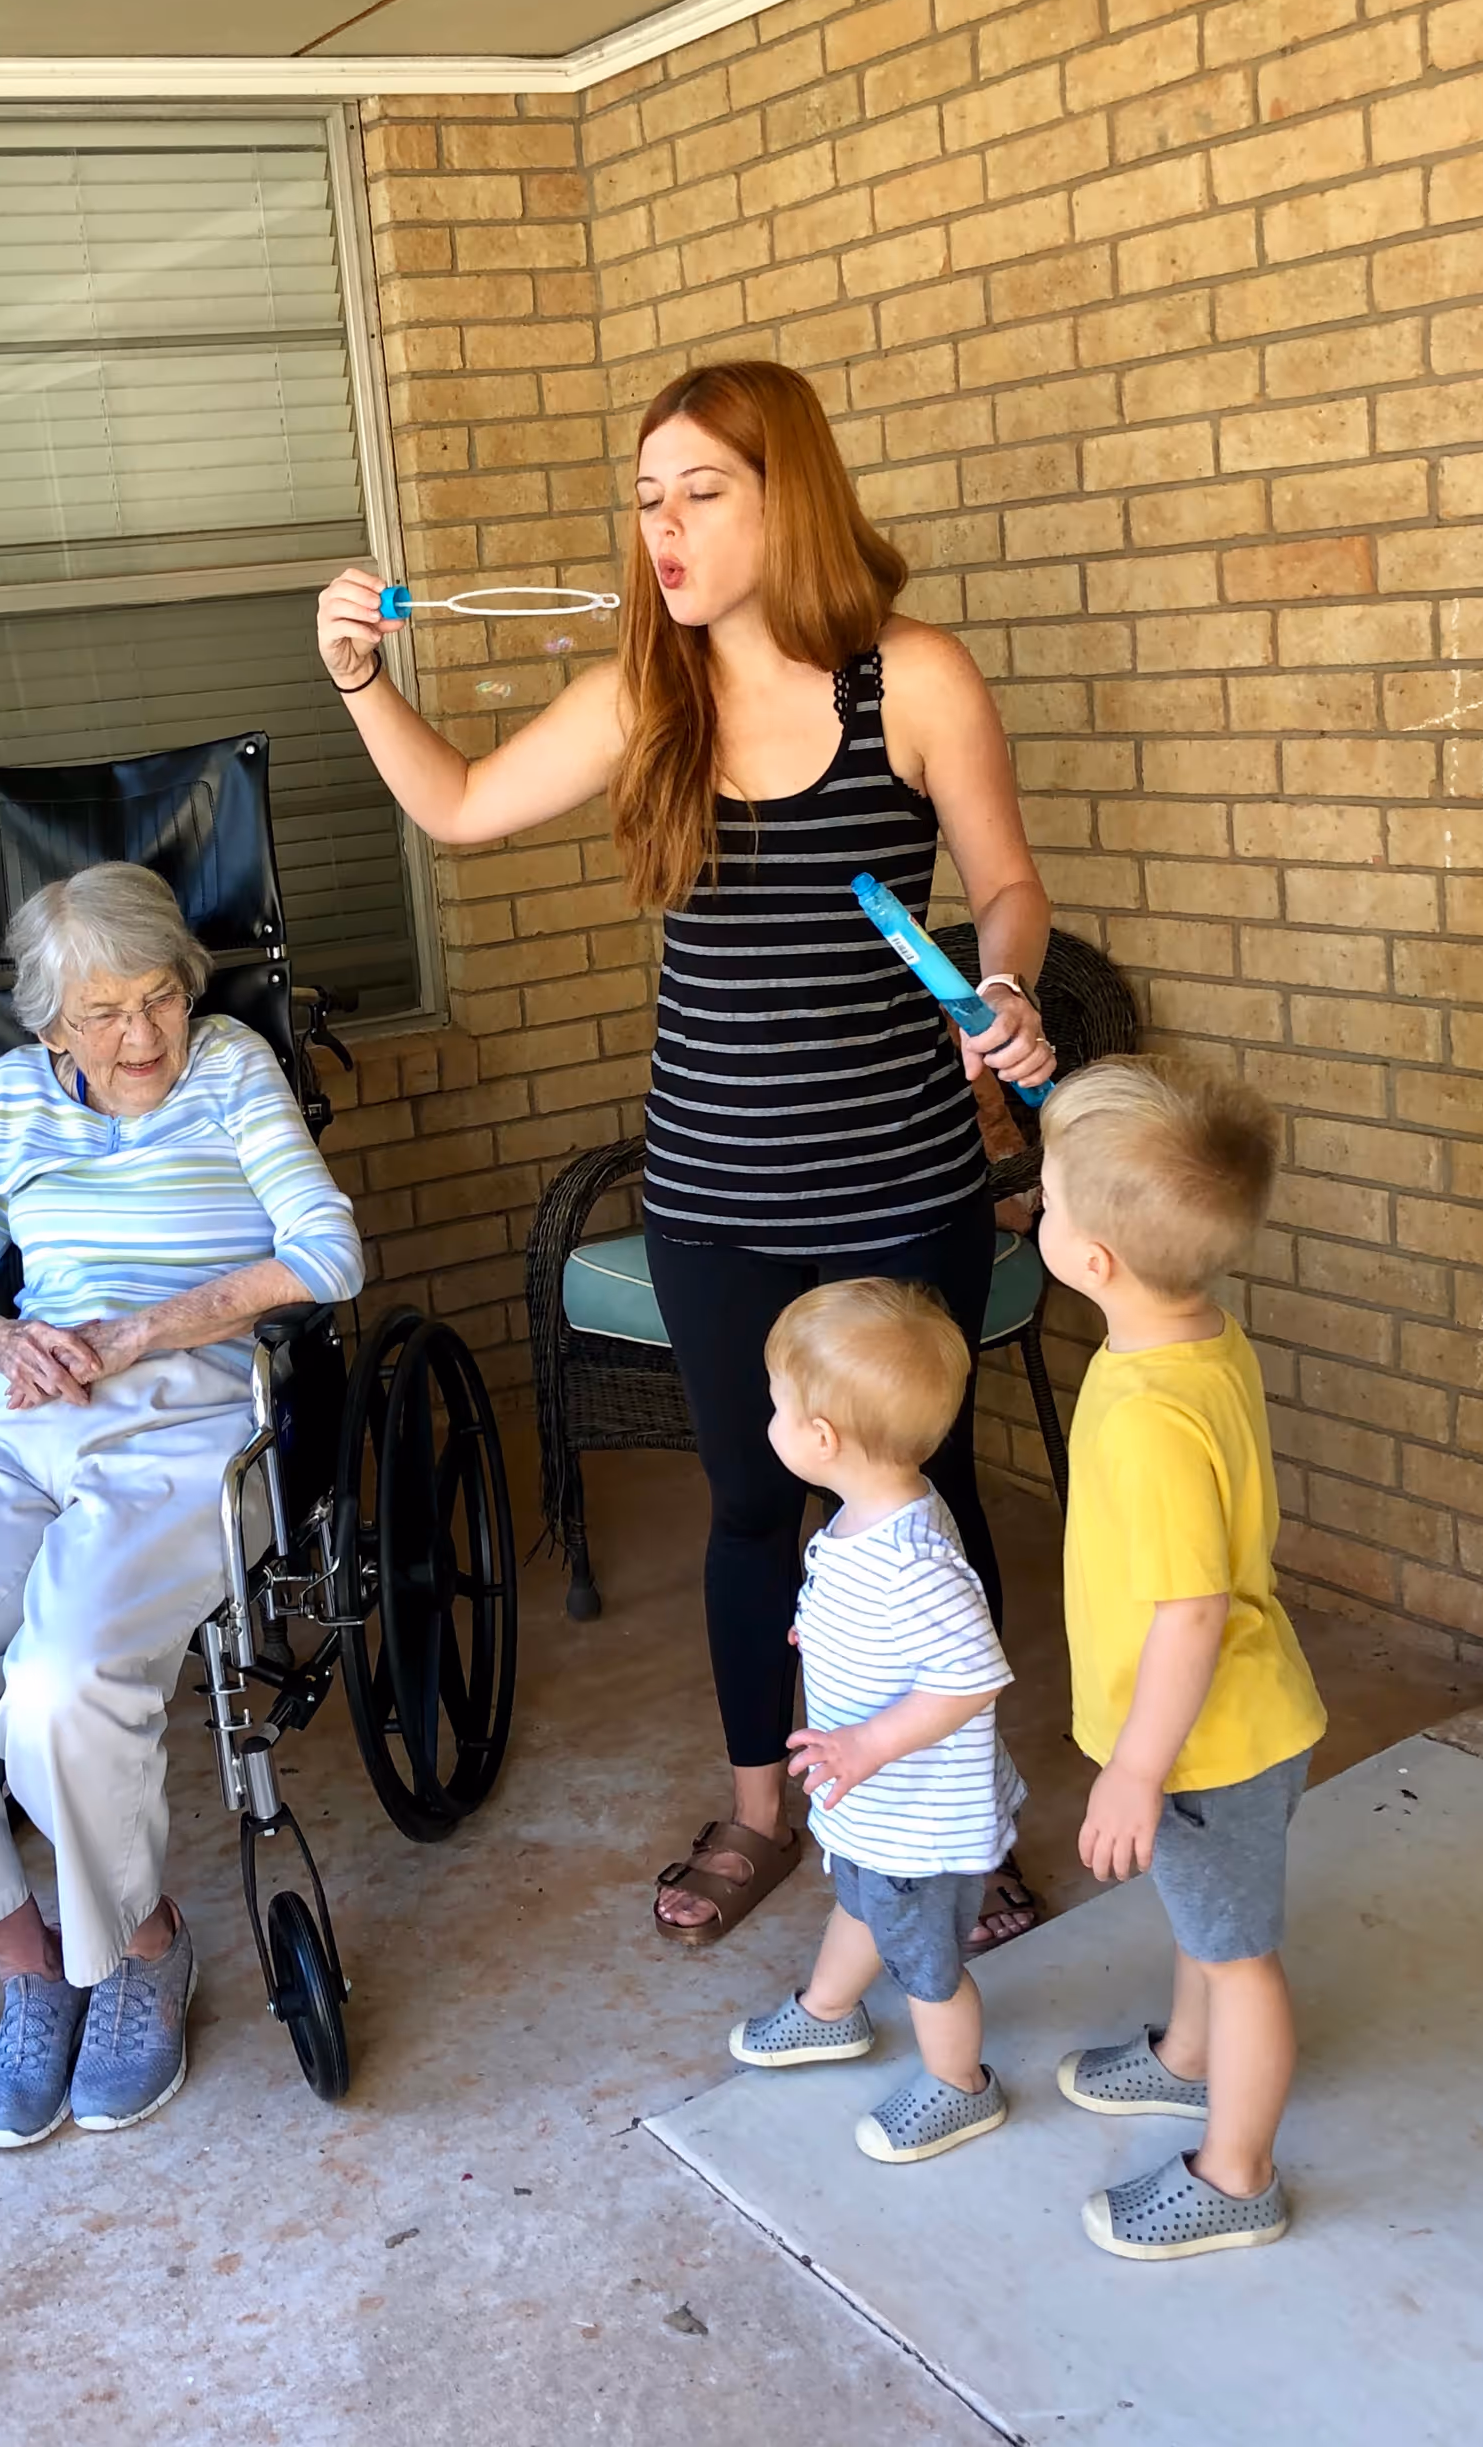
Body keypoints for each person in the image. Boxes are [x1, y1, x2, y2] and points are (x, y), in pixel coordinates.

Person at [317, 359, 1053, 1951]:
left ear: (790, 495)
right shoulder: (644, 694)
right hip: (714, 1190)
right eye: (647, 496)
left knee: (923, 1496)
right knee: (746, 1508)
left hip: (899, 1179)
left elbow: (1008, 886)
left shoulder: (910, 677)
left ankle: (963, 1812)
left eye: (700, 490)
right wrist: (365, 680)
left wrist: (1001, 980)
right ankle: (762, 1806)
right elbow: (453, 807)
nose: (664, 524)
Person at [0, 862, 363, 2149]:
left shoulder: (230, 1070)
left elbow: (326, 1251)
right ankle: (27, 1968)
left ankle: (139, 1950)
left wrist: (142, 1331)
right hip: (19, 1417)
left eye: (160, 997)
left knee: (58, 1683)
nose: (141, 1037)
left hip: (187, 1421)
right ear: (48, 1026)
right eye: (102, 1015)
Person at [1035, 1057, 1327, 2260]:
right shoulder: (1198, 1333)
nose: (1036, 1213)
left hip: (1207, 1742)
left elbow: (1189, 1613)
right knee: (1207, 1923)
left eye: (1047, 1202)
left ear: (1097, 1261)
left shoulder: (1153, 1413)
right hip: (1229, 1727)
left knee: (1240, 1955)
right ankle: (1187, 2057)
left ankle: (1236, 2173)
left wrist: (1135, 1770)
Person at [726, 1281, 1023, 2163]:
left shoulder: (915, 1560)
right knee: (859, 1899)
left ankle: (960, 2085)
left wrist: (865, 1743)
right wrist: (823, 1631)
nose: (768, 1419)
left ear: (822, 1439)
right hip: (875, 1806)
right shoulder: (870, 1515)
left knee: (927, 1967)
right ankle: (826, 2012)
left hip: (918, 1814)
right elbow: (893, 1640)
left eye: (777, 1405)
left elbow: (972, 1679)